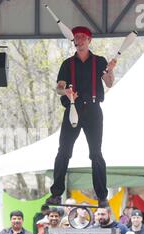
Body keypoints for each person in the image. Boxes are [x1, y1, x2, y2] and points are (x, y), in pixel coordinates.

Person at [46, 26, 117, 208]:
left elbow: (109, 83)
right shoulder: (67, 63)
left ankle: (102, 196)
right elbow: (58, 87)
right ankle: (55, 194)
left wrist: (110, 70)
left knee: (96, 154)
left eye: (83, 37)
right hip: (73, 108)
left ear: (89, 40)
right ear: (74, 41)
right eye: (76, 37)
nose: (79, 40)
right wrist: (66, 92)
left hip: (93, 111)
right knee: (64, 152)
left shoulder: (99, 61)